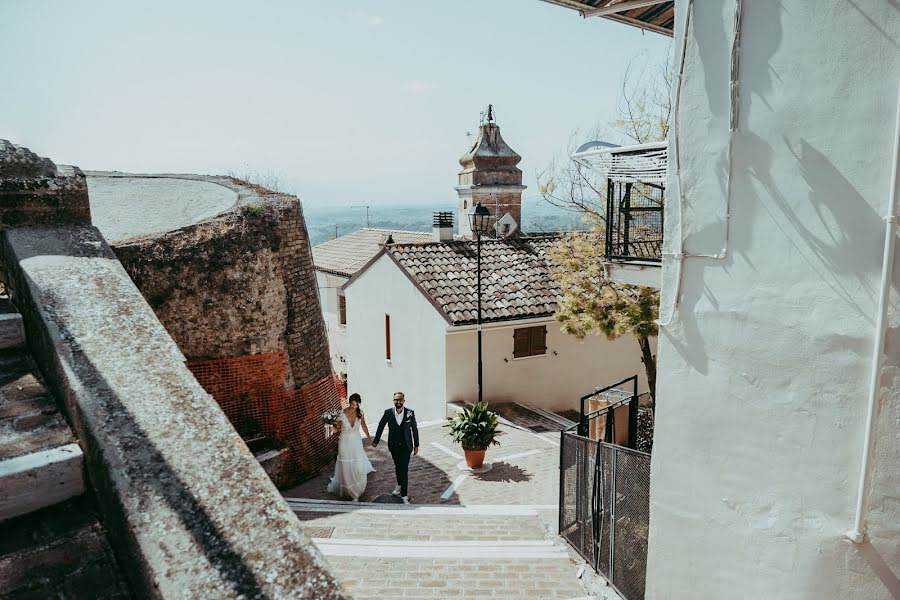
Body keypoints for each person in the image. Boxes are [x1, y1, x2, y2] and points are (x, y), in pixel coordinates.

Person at [372, 391, 419, 504]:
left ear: (403, 400)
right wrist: (376, 440)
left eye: (400, 399)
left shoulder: (410, 413)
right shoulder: (388, 413)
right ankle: (399, 485)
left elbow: (414, 429)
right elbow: (381, 425)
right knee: (398, 467)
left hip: (406, 446)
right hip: (393, 446)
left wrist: (416, 445)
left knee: (404, 469)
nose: (398, 401)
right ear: (393, 401)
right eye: (395, 400)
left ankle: (404, 495)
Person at [327, 393, 374, 501]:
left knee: (357, 465)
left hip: (356, 442)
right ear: (349, 402)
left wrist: (369, 437)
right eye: (352, 404)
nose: (354, 407)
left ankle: (358, 488)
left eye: (356, 405)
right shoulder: (342, 413)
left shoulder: (360, 413)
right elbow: (337, 429)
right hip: (344, 442)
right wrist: (329, 426)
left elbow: (364, 425)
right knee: (346, 465)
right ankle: (352, 492)